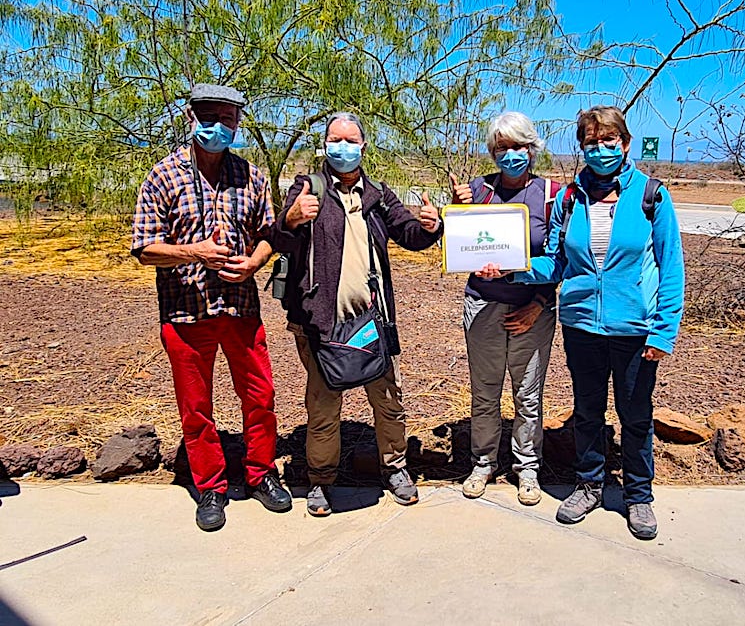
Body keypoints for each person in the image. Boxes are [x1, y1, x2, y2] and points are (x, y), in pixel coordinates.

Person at [477, 105, 684, 539]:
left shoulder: (651, 196)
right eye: (592, 143)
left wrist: (663, 331)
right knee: (587, 412)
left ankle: (638, 496)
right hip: (581, 325)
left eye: (609, 141)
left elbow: (671, 267)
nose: (601, 149)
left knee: (636, 415)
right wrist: (513, 270)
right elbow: (555, 260)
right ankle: (589, 485)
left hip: (635, 327)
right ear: (582, 147)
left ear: (625, 144)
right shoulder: (571, 199)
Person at [131, 83, 291, 532]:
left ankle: (261, 473)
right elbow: (144, 249)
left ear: (238, 123)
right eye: (208, 117)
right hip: (185, 313)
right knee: (196, 406)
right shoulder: (163, 177)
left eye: (227, 118)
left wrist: (254, 263)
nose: (218, 127)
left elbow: (269, 235)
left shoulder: (251, 176)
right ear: (190, 118)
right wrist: (195, 252)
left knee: (260, 397)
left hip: (240, 308)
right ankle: (211, 486)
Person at [270, 111, 442, 517]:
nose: (342, 147)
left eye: (350, 140)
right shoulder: (307, 188)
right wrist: (291, 219)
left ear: (363, 147)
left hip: (372, 322)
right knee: (324, 404)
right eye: (335, 140)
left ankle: (395, 468)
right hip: (320, 323)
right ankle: (321, 479)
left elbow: (410, 235)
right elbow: (279, 238)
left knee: (388, 401)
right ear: (324, 146)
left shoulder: (378, 195)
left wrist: (431, 226)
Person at [449, 111, 559, 506]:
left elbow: (562, 257)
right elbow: (461, 244)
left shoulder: (553, 195)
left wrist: (539, 303)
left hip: (533, 309)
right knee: (485, 391)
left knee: (528, 393)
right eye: (501, 148)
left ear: (532, 148)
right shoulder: (478, 190)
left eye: (517, 146)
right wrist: (457, 209)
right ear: (493, 152)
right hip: (482, 304)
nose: (510, 154)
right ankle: (483, 462)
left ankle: (527, 467)